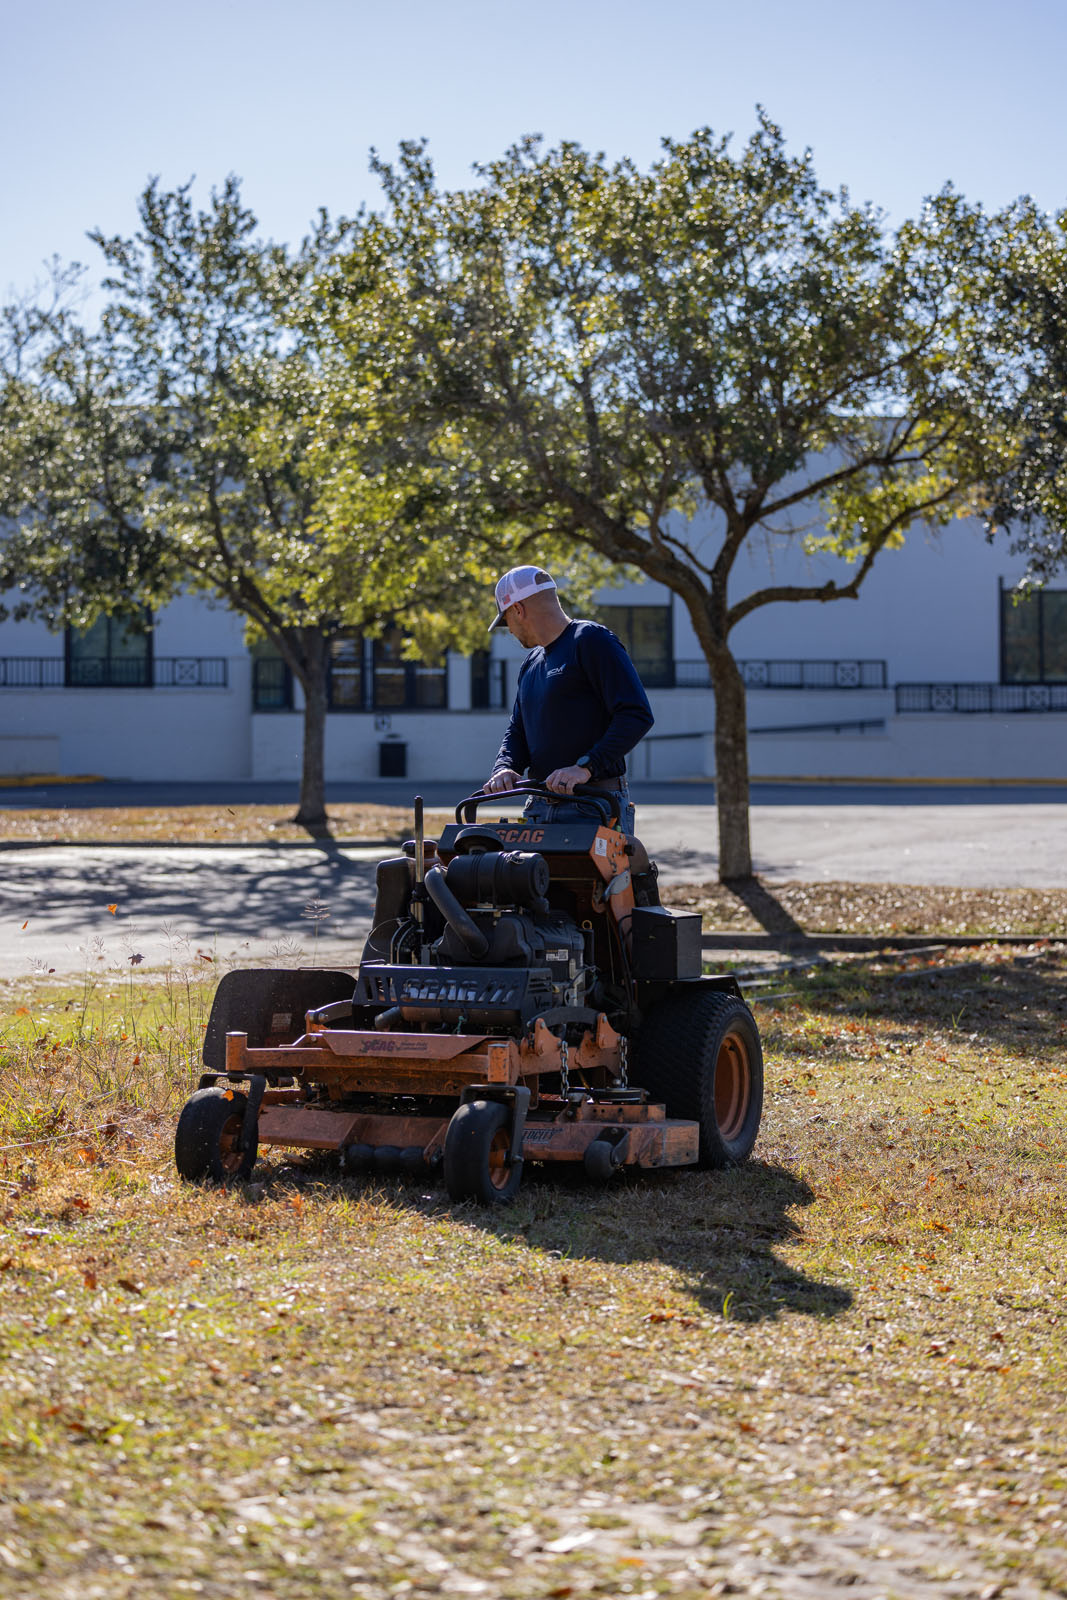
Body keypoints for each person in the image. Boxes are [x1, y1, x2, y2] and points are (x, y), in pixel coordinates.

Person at [484, 565, 654, 834]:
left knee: (595, 878)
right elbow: (517, 730)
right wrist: (505, 767)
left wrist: (585, 767)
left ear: (519, 609)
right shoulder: (531, 664)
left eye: (506, 621)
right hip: (539, 806)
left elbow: (636, 714)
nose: (511, 632)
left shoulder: (591, 641)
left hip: (593, 804)